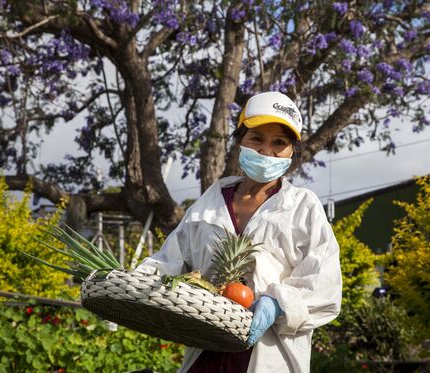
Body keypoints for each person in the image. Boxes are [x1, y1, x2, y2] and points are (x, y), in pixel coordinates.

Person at [135, 91, 342, 373]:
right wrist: (135, 280)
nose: (266, 151)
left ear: (291, 151)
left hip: (272, 355)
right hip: (207, 351)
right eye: (256, 138)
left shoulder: (303, 207)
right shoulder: (212, 199)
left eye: (279, 143)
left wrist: (277, 304)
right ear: (240, 140)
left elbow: (325, 286)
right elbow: (171, 260)